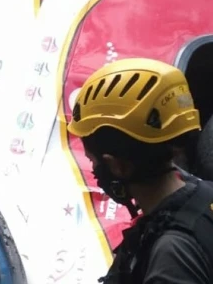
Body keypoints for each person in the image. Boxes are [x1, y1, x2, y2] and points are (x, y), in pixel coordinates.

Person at [67, 58, 213, 283]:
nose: (94, 169)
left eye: (93, 160)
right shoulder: (203, 192)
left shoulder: (172, 256)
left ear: (118, 166)